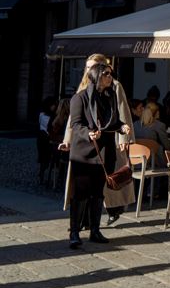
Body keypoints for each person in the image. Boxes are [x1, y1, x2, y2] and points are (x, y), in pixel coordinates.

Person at [67, 60, 128, 248]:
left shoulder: (109, 97)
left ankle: (95, 230)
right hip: (84, 154)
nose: (110, 77)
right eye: (106, 74)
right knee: (80, 195)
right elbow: (76, 124)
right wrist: (89, 133)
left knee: (98, 193)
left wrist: (121, 127)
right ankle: (75, 232)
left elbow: (112, 122)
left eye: (111, 74)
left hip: (104, 153)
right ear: (96, 76)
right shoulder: (79, 98)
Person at [37, 97, 58, 184]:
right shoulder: (48, 116)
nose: (54, 107)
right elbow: (49, 128)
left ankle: (41, 175)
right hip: (45, 139)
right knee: (45, 159)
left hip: (41, 138)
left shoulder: (41, 114)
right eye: (53, 105)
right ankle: (41, 175)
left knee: (43, 159)